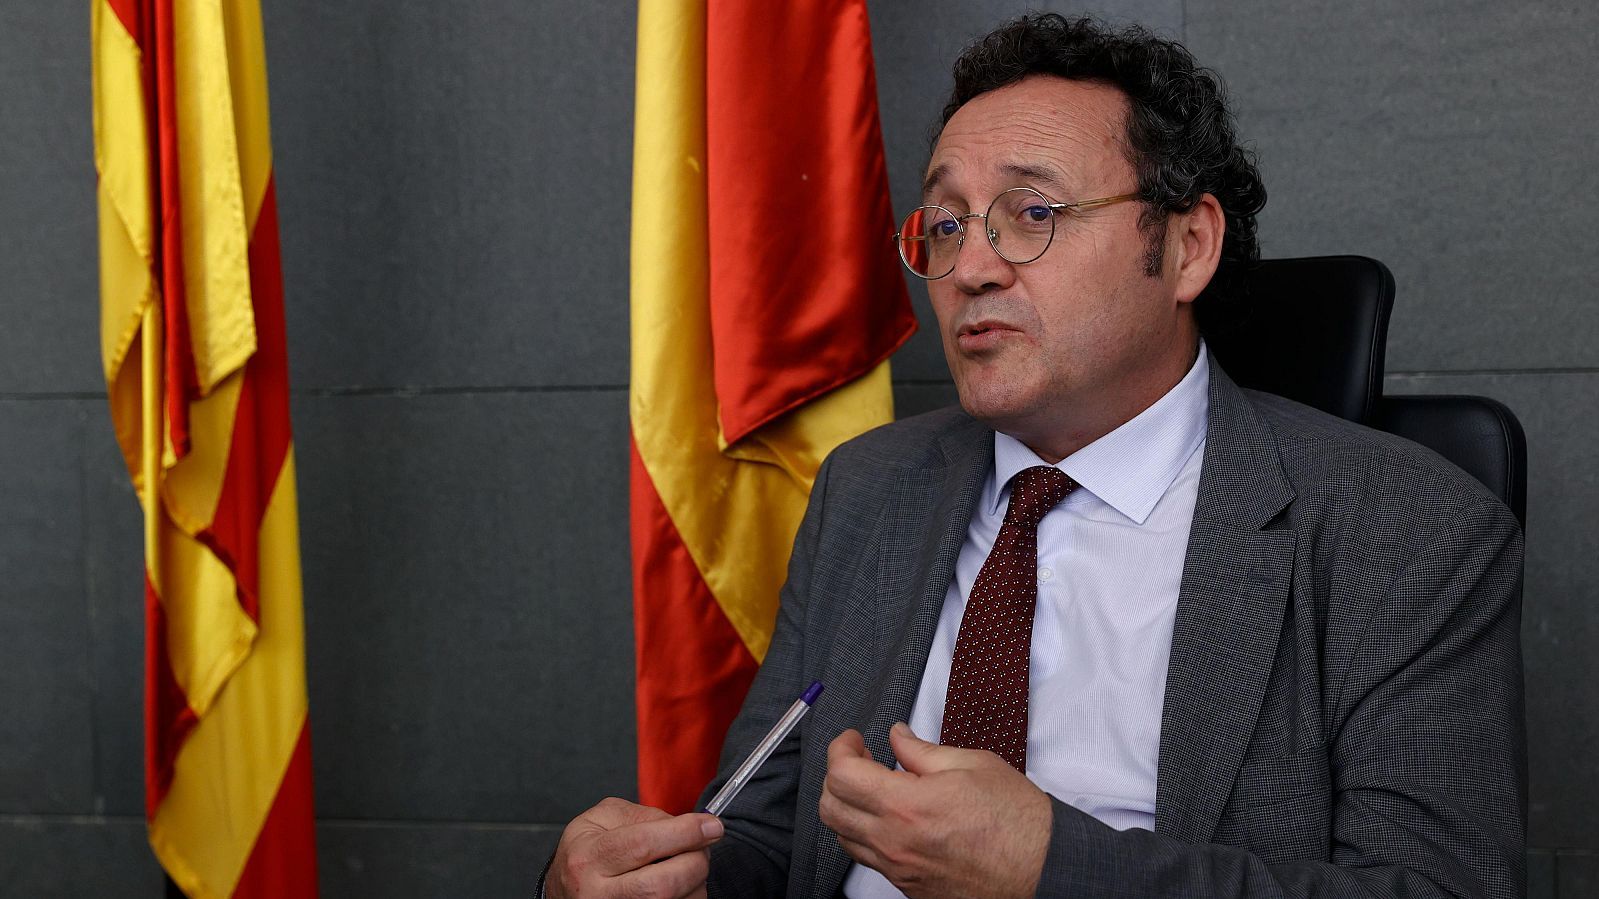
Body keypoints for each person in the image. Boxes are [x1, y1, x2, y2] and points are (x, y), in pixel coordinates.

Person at [543, 14, 1525, 899]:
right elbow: (764, 830)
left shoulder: (1404, 526)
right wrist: (663, 875)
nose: (970, 267)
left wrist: (1050, 867)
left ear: (1187, 246)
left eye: (1033, 214)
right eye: (945, 224)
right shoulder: (869, 486)